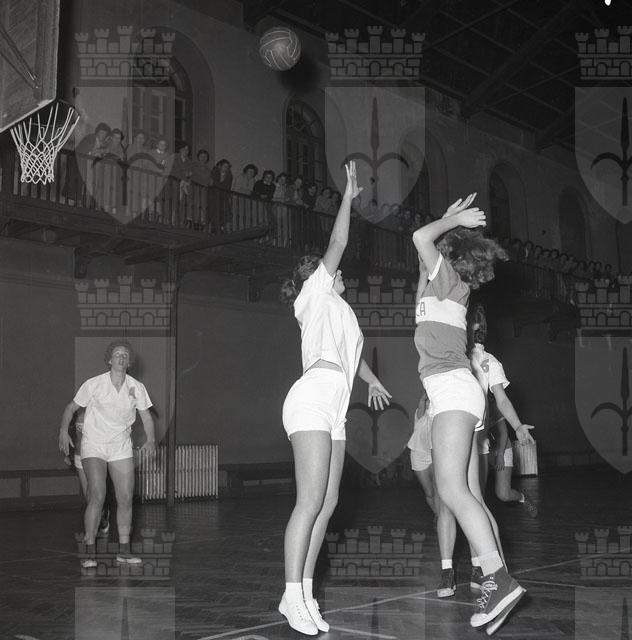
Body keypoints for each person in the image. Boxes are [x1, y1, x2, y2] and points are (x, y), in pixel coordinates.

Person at [278, 161, 392, 636]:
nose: (339, 271)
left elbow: (351, 358)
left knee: (328, 502)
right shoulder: (314, 294)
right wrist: (347, 197)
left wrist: (371, 380)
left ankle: (305, 591)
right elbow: (339, 242)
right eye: (332, 269)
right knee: (308, 501)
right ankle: (290, 595)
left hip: (337, 406)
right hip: (311, 399)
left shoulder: (342, 311)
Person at [412, 193, 526, 634]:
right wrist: (447, 219)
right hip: (453, 391)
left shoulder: (450, 282)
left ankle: (498, 580)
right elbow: (423, 261)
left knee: (451, 490)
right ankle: (496, 584)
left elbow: (420, 238)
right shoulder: (437, 290)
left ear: (450, 259)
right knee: (467, 495)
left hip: (453, 390)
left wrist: (451, 220)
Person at [58, 341, 156, 569]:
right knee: (97, 496)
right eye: (117, 354)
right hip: (94, 444)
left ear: (129, 362)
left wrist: (151, 439)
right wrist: (63, 430)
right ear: (109, 360)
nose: (121, 357)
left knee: (126, 497)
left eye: (125, 355)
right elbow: (71, 408)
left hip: (120, 446)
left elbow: (147, 417)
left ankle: (124, 551)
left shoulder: (136, 387)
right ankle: (90, 550)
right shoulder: (94, 384)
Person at [468, 304, 537, 516]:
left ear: (474, 325)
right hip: (460, 437)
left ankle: (523, 497)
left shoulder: (488, 361)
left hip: (490, 444)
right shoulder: (453, 355)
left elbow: (502, 401)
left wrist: (518, 426)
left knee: (500, 495)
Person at [63, 407, 112, 537]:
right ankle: (103, 515)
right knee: (89, 496)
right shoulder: (76, 411)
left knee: (95, 496)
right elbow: (69, 434)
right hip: (79, 456)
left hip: (95, 457)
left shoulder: (100, 411)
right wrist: (67, 455)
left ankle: (91, 533)